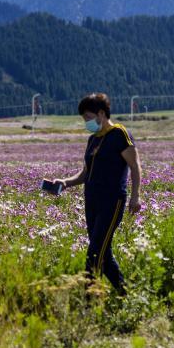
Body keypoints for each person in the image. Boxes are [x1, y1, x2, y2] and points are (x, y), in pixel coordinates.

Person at [48, 93, 141, 295]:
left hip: (112, 201)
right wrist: (65, 183)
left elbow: (135, 166)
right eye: (84, 119)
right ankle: (125, 294)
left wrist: (135, 196)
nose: (86, 122)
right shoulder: (93, 139)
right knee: (103, 252)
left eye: (88, 117)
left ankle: (89, 298)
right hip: (92, 201)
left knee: (95, 252)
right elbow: (85, 173)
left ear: (101, 113)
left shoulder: (119, 134)